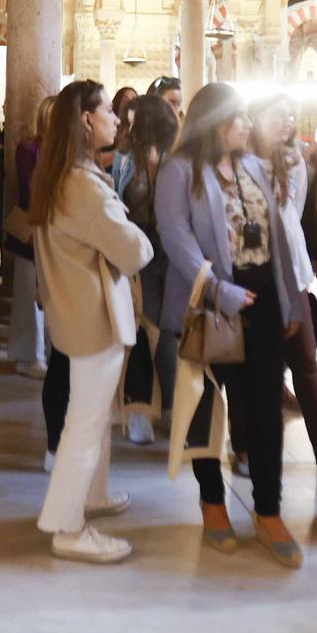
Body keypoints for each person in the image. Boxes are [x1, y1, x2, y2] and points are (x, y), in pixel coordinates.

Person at [156, 82, 307, 568]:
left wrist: (287, 301)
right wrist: (218, 291)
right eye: (238, 118)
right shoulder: (180, 171)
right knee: (207, 406)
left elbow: (278, 239)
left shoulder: (255, 167)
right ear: (215, 121)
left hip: (260, 296)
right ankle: (214, 503)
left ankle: (269, 509)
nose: (247, 125)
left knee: (265, 406)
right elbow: (177, 240)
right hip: (209, 301)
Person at [32, 81, 154, 563]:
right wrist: (135, 237)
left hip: (78, 313)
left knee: (94, 418)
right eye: (108, 111)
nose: (116, 120)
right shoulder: (82, 184)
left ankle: (93, 495)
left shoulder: (63, 174)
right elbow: (135, 249)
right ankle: (66, 526)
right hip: (91, 317)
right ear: (86, 120)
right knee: (83, 426)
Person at [231, 93, 317, 470]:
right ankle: (245, 445)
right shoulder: (236, 163)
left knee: (305, 359)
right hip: (250, 269)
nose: (288, 123)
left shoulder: (295, 161)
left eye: (292, 117)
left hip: (290, 269)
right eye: (280, 116)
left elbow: (292, 216)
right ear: (256, 116)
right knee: (247, 365)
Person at [115, 93, 180, 446]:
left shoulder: (178, 159)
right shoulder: (125, 160)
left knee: (169, 331)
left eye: (135, 120)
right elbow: (117, 200)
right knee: (141, 330)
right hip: (137, 255)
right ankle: (139, 410)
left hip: (171, 255)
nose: (129, 126)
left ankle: (171, 406)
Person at [8, 94, 55, 384]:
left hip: (58, 228)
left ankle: (50, 351)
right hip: (34, 226)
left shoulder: (71, 149)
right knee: (28, 290)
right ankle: (28, 355)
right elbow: (29, 188)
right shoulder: (30, 148)